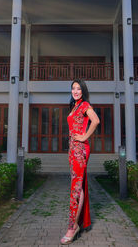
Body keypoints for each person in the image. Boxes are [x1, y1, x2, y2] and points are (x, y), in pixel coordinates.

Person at [60, 79, 100, 245]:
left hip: (80, 150)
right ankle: (77, 223)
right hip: (73, 150)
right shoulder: (74, 106)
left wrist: (84, 137)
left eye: (78, 88)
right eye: (73, 88)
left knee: (76, 187)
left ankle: (73, 226)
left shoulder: (84, 105)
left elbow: (96, 120)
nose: (75, 91)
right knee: (78, 185)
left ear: (83, 90)